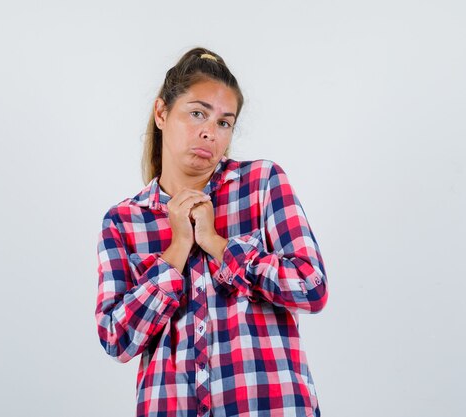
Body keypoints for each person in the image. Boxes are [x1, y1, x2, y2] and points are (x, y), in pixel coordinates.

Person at [94, 47, 329, 417]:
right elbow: (116, 339)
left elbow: (311, 286)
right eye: (197, 113)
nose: (209, 133)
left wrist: (218, 245)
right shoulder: (124, 221)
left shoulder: (262, 183)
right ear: (161, 113)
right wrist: (177, 249)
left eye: (224, 122)